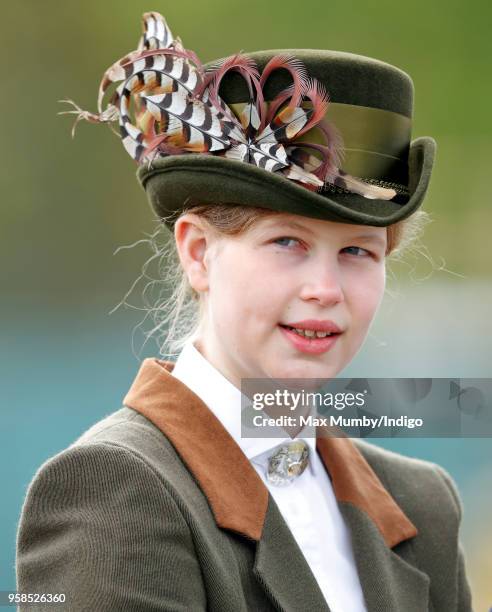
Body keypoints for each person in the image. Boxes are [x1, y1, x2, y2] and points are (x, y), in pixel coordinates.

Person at [16, 11, 473, 612]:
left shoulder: (422, 503)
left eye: (358, 251)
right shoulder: (116, 490)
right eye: (288, 242)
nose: (326, 289)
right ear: (199, 253)